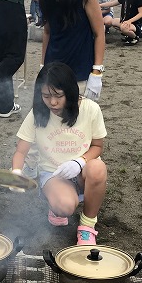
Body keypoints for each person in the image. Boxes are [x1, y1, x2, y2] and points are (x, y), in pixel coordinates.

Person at [11, 62, 108, 245]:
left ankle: (87, 227)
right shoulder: (38, 114)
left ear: (70, 92)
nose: (52, 102)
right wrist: (16, 172)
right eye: (46, 96)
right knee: (64, 207)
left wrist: (79, 162)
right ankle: (55, 203)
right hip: (54, 173)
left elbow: (97, 146)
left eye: (58, 96)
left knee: (98, 168)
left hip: (83, 171)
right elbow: (20, 151)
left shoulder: (90, 109)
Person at [39, 0, 105, 101]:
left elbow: (99, 33)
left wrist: (97, 72)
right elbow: (47, 32)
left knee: (79, 123)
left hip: (79, 73)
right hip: (52, 71)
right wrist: (42, 66)